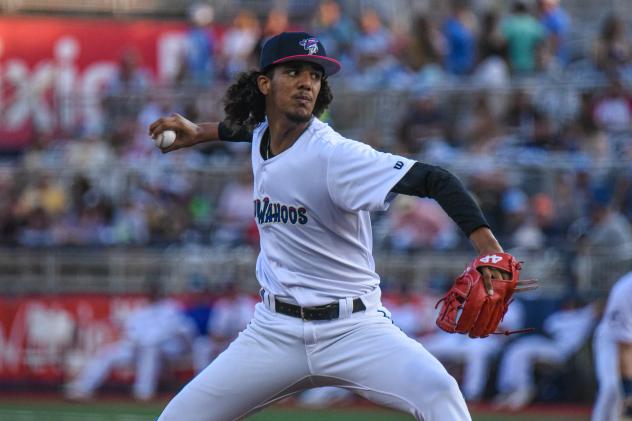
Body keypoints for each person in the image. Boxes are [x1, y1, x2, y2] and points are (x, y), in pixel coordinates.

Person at [149, 31, 514, 421]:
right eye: (294, 72)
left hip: (354, 329)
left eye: (315, 75)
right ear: (265, 83)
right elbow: (249, 130)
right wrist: (201, 131)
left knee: (440, 393)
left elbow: (436, 179)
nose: (307, 82)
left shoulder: (336, 156)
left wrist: (490, 249)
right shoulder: (263, 137)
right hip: (275, 331)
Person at [65, 282, 193, 401]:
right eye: (151, 292)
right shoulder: (142, 311)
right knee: (109, 353)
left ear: (161, 293)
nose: (153, 294)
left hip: (166, 350)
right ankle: (82, 388)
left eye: (156, 292)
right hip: (137, 349)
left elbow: (177, 330)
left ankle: (143, 393)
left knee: (150, 349)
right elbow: (131, 332)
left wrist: (148, 341)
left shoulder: (171, 308)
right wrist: (135, 342)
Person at [492, 297, 597, 410]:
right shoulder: (559, 317)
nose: (569, 305)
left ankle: (524, 389)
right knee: (516, 349)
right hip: (548, 345)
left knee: (522, 352)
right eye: (568, 303)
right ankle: (510, 389)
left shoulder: (584, 316)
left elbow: (599, 307)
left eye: (572, 303)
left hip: (560, 351)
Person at [592, 271, 632, 421]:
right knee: (612, 388)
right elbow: (625, 348)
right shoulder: (626, 290)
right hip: (613, 340)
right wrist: (628, 389)